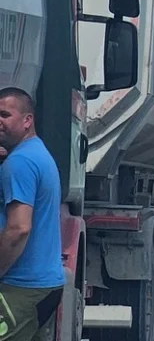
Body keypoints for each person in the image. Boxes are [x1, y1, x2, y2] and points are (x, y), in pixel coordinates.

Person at [0, 88, 65, 340]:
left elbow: (19, 229)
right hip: (44, 285)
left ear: (27, 120)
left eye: (5, 115)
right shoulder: (36, 153)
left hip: (21, 286)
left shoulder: (20, 163)